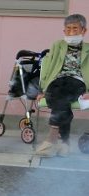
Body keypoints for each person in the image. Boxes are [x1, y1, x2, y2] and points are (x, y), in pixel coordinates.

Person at [35, 14, 89, 157]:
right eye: (68, 29)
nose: (71, 32)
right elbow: (48, 67)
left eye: (75, 29)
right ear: (64, 31)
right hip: (57, 80)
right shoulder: (57, 45)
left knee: (62, 92)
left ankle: (52, 137)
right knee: (59, 93)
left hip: (78, 81)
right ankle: (64, 143)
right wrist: (42, 89)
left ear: (84, 31)